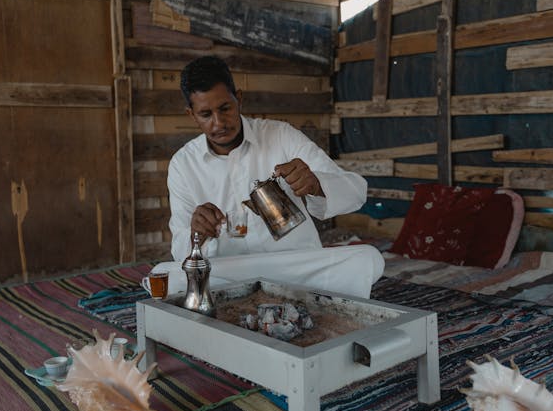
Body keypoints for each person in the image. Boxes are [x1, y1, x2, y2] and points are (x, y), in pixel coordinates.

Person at [144, 55, 384, 298]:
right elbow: (181, 251)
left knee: (368, 258)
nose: (218, 123)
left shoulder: (281, 136)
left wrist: (316, 184)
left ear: (239, 99)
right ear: (191, 115)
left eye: (225, 108)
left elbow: (356, 191)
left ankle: (251, 295)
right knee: (165, 274)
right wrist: (197, 233)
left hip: (293, 265)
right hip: (230, 271)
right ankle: (284, 294)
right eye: (206, 114)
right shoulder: (183, 165)